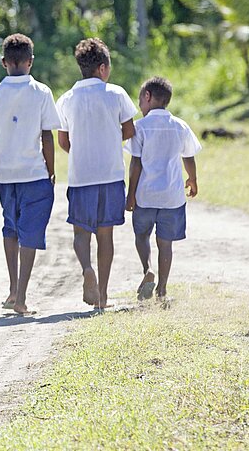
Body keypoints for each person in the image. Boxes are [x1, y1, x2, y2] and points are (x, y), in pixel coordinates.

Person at [0, 33, 61, 314]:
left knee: (10, 228)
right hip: (34, 173)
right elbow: (47, 134)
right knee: (30, 232)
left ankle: (13, 290)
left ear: (4, 63)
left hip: (3, 174)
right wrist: (51, 170)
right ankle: (22, 296)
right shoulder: (42, 92)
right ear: (30, 62)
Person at [56, 38, 138, 310]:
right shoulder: (116, 94)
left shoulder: (67, 99)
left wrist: (82, 153)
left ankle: (86, 269)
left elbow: (63, 142)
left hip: (81, 177)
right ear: (103, 68)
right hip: (111, 175)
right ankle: (102, 296)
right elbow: (129, 131)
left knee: (81, 233)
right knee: (106, 236)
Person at [125, 77, 201, 303]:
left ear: (147, 96)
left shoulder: (140, 127)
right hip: (172, 197)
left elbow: (135, 164)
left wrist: (131, 195)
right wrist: (193, 179)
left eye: (140, 99)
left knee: (141, 236)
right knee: (165, 243)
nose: (139, 105)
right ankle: (162, 290)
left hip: (145, 196)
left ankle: (148, 269)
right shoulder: (180, 125)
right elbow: (189, 156)